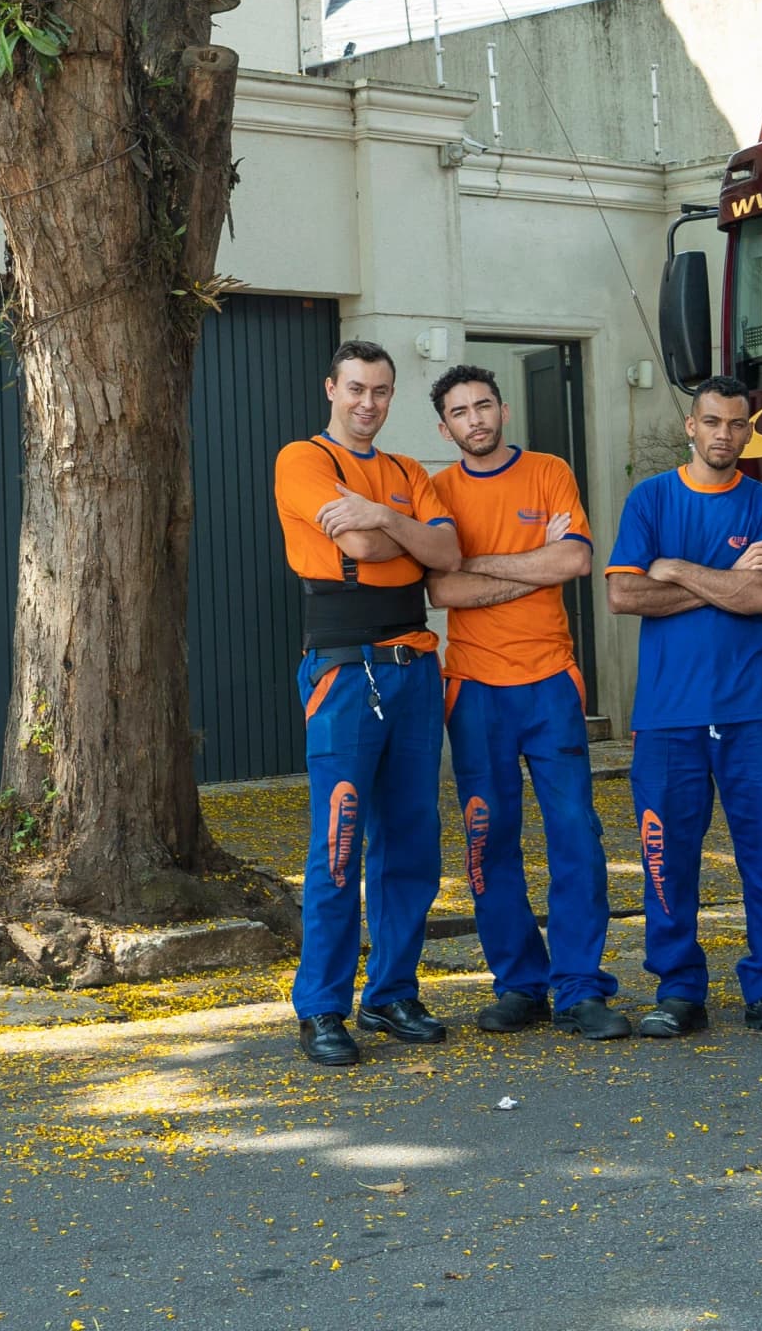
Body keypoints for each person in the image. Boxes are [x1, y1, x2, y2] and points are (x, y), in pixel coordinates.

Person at [273, 339, 469, 1068]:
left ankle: (391, 994)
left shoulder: (407, 471)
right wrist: (403, 533)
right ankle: (321, 1007)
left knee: (412, 841)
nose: (368, 402)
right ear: (332, 388)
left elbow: (447, 554)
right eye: (356, 388)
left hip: (415, 668)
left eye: (381, 391)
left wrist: (383, 520)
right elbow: (355, 542)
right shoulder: (304, 460)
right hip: (344, 672)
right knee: (340, 840)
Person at [422, 363, 630, 1040]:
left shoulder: (548, 471)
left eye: (483, 405)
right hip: (474, 687)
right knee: (488, 842)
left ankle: (579, 987)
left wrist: (478, 563)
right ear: (445, 428)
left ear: (503, 410)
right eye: (460, 412)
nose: (475, 419)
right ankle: (519, 984)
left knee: (575, 835)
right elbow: (441, 591)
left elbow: (573, 562)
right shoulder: (437, 491)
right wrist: (529, 563)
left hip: (549, 681)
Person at [605, 377, 762, 1039]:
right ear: (690, 427)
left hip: (750, 708)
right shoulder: (651, 499)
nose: (725, 434)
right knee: (667, 855)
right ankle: (677, 990)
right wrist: (724, 581)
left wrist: (674, 568)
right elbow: (624, 597)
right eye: (713, 422)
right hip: (668, 713)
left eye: (737, 424)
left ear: (748, 431)